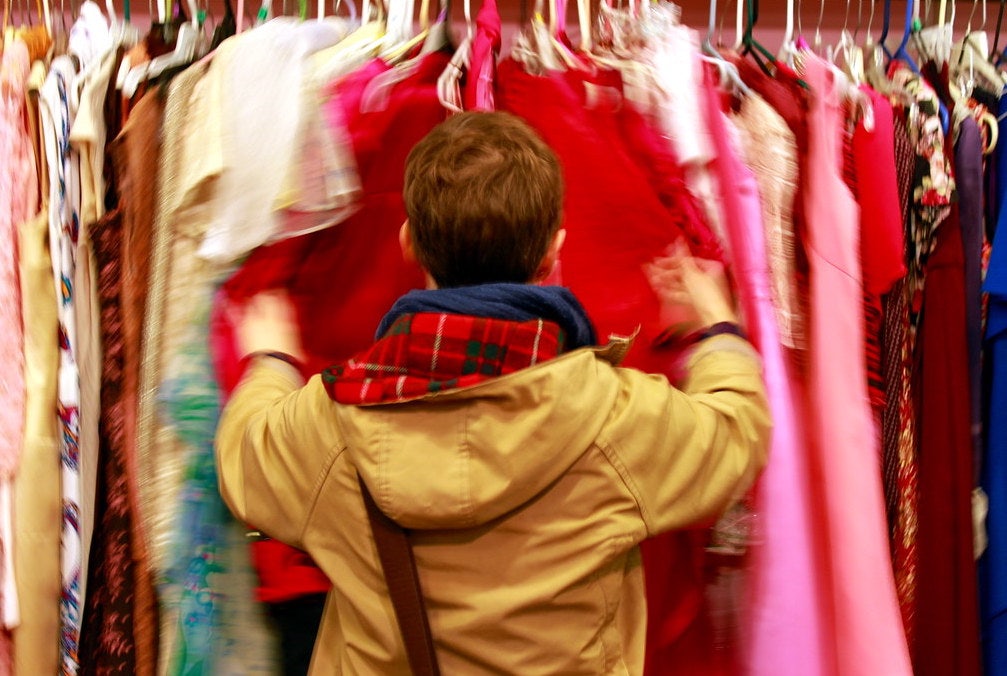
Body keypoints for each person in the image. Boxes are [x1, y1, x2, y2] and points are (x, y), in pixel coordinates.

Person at [215, 111, 770, 674]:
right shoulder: (619, 418)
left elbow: (243, 462)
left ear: (408, 241)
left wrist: (271, 360)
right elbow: (737, 433)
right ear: (554, 250)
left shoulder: (325, 426)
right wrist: (719, 328)